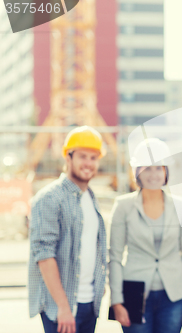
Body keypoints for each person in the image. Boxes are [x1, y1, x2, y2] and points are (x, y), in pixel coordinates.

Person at [109, 138, 182, 333]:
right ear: (137, 172)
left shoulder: (181, 206)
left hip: (173, 296)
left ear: (166, 171)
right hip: (133, 293)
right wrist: (116, 301)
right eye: (147, 168)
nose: (153, 174)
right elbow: (114, 257)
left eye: (159, 168)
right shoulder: (123, 206)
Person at [28, 126, 107, 333]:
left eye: (93, 157)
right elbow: (44, 255)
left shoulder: (90, 197)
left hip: (89, 304)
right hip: (62, 308)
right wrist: (64, 307)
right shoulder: (49, 198)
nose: (88, 163)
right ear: (68, 157)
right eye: (82, 156)